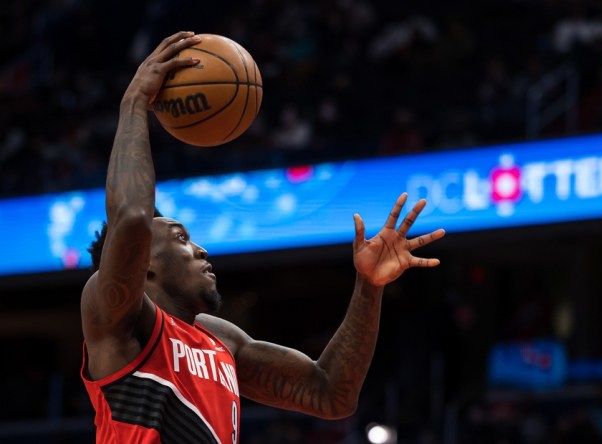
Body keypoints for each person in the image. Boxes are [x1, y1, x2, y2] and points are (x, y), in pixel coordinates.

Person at [80, 31, 445, 443]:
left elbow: (331, 394)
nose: (200, 249)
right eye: (181, 238)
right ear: (142, 263)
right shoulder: (117, 320)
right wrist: (133, 104)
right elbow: (130, 218)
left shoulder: (220, 338)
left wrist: (369, 286)